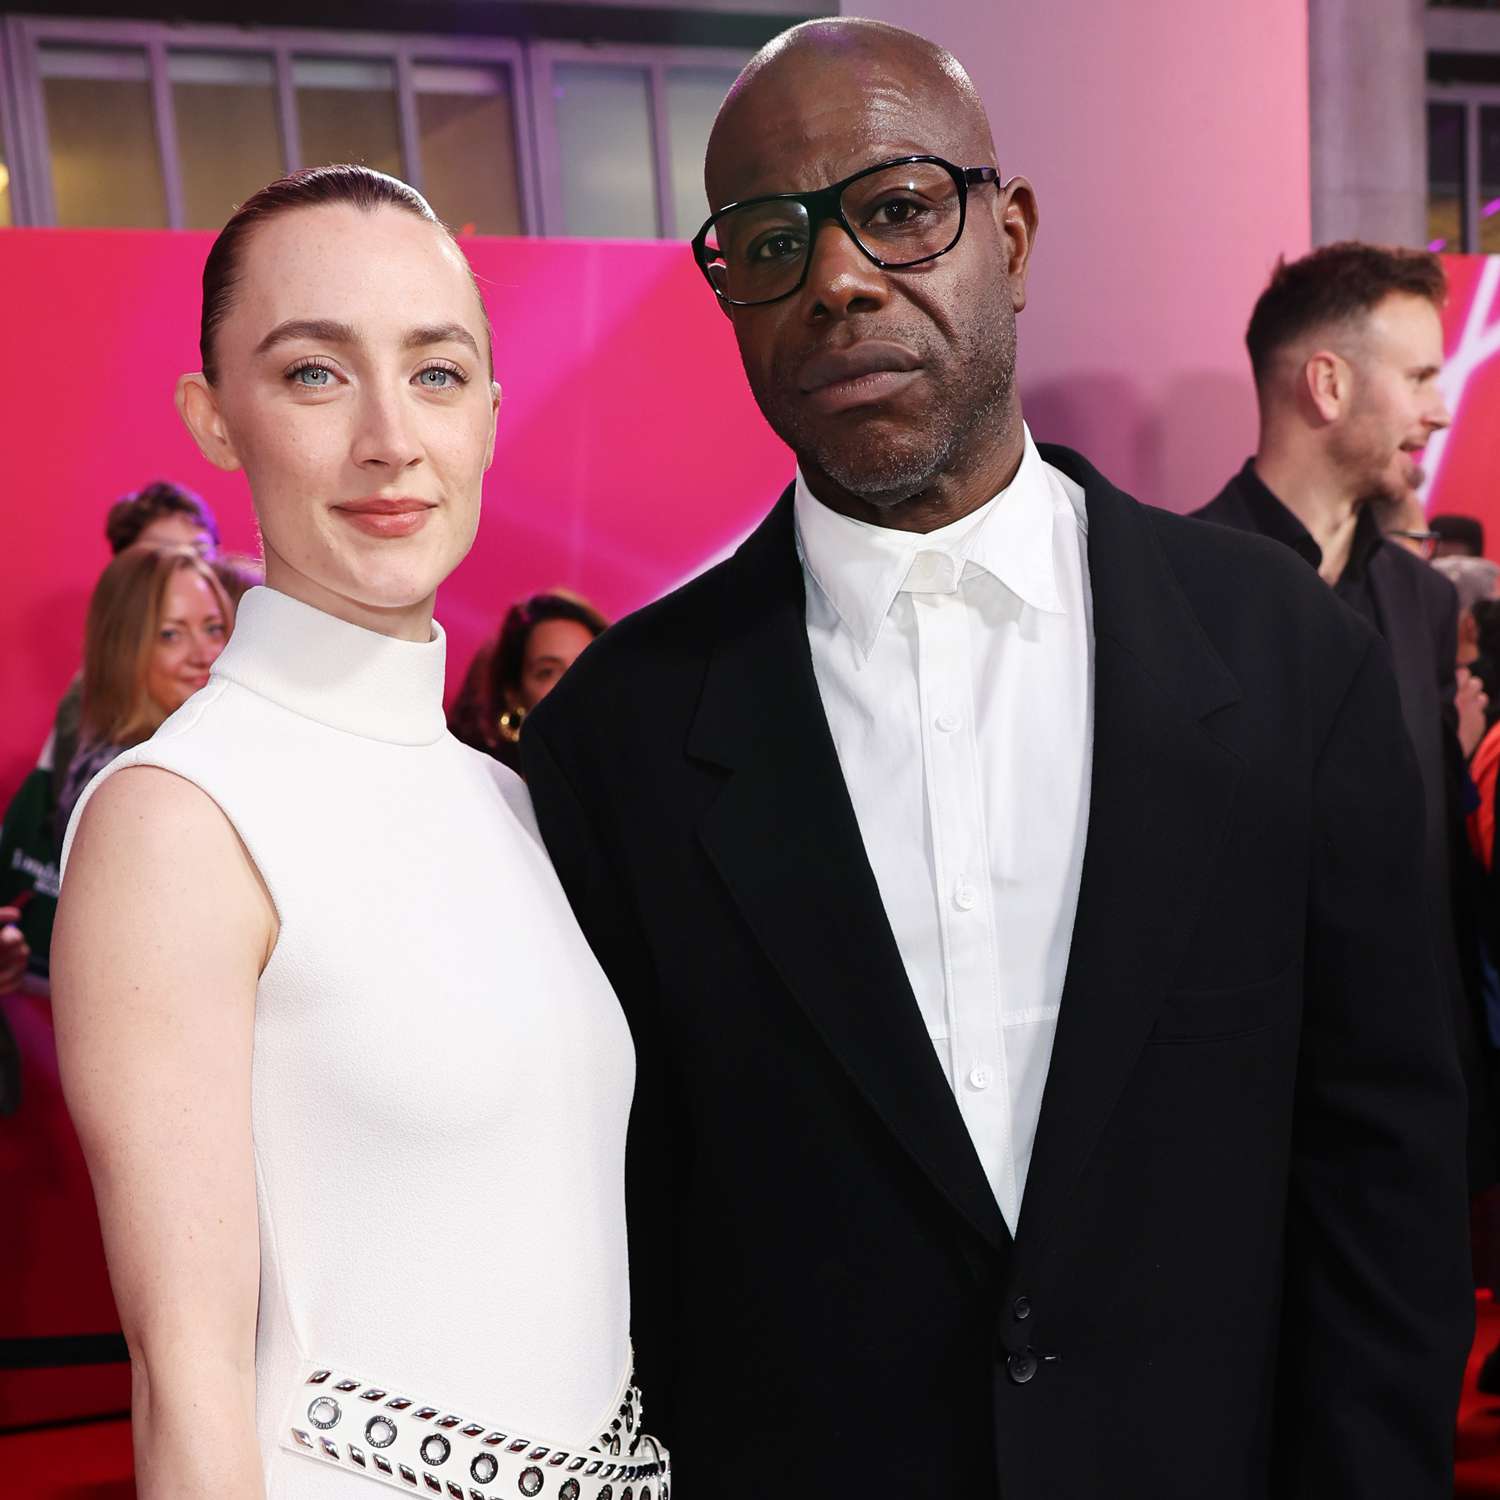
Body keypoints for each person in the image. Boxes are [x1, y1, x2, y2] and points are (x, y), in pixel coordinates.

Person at [522, 18, 1472, 1500]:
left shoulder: (1291, 662)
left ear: (1010, 238)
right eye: (768, 242)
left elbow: (1383, 1170)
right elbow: (621, 1229)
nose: (837, 278)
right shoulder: (619, 740)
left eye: (899, 209)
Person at [52, 165, 662, 1500]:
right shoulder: (178, 819)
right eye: (317, 375)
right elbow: (189, 1382)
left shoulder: (508, 802)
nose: (391, 438)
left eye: (437, 374)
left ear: (493, 415)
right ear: (216, 420)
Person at [1195, 244, 1497, 1188]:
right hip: (1243, 1133)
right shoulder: (1178, 591)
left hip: (1411, 1136)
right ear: (1326, 384)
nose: (1440, 411)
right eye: (1416, 377)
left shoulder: (1423, 601)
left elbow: (1439, 884)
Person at [45, 481, 223, 814]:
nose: (184, 567)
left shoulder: (240, 670)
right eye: (170, 634)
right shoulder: (110, 767)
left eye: (199, 551)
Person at [53, 545, 234, 842]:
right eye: (171, 635)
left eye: (213, 629)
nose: (204, 655)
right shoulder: (120, 781)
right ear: (123, 649)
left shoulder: (201, 749)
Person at [449, 590, 608, 770]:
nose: (573, 683)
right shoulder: (482, 789)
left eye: (586, 666)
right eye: (548, 672)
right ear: (513, 696)